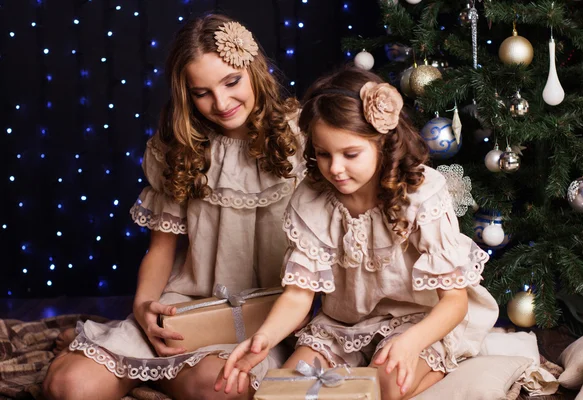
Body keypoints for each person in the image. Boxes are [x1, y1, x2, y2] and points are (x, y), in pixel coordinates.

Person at [43, 14, 305, 400]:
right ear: (186, 93)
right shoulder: (177, 148)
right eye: (202, 92)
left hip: (267, 318)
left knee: (225, 389)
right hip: (190, 309)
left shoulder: (305, 139)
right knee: (67, 387)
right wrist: (146, 308)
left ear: (254, 68)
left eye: (231, 82)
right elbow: (160, 251)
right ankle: (135, 356)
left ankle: (153, 371)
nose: (221, 102)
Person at [216, 67, 499, 400]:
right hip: (341, 328)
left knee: (386, 387)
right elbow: (298, 296)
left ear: (383, 143)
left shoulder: (422, 194)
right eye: (323, 154)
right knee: (291, 391)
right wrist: (263, 338)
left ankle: (434, 366)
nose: (335, 168)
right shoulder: (311, 203)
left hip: (416, 322)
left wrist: (412, 343)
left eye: (350, 154)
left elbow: (454, 302)